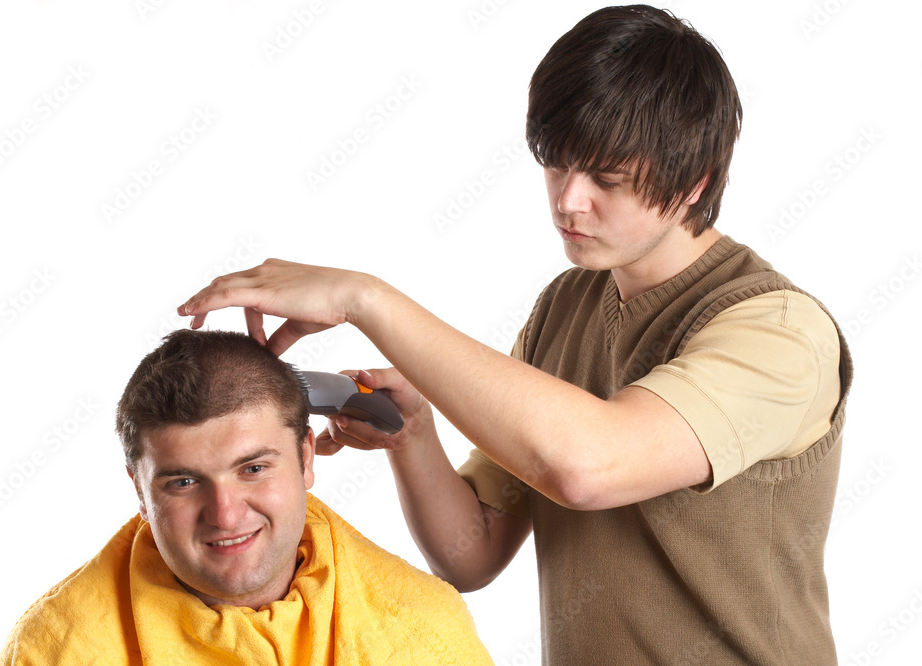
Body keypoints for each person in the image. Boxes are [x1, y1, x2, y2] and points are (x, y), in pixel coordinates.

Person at [176, 5, 852, 664]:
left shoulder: (779, 333)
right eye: (557, 164)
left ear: (692, 184)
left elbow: (586, 467)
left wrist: (365, 299)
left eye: (605, 180)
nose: (567, 201)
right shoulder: (566, 307)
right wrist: (412, 435)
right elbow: (474, 552)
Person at [0, 329, 492, 666]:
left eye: (253, 469)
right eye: (183, 482)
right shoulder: (58, 648)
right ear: (140, 492)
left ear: (305, 459)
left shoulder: (424, 630)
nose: (226, 514)